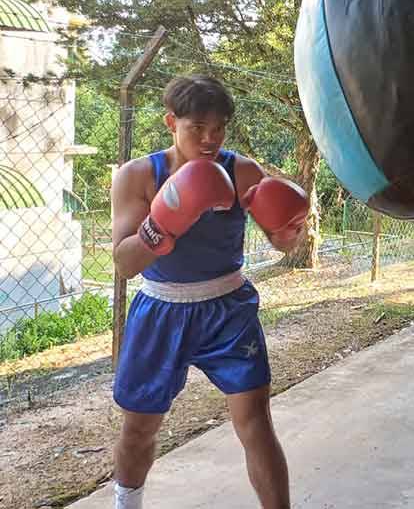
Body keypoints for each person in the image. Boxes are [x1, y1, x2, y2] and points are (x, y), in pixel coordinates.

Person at [110, 75, 308, 509]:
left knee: (255, 421)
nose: (209, 138)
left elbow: (281, 241)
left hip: (228, 308)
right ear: (171, 122)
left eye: (218, 128)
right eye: (197, 127)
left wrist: (290, 228)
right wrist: (161, 226)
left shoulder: (242, 170)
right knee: (140, 427)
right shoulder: (138, 176)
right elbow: (125, 263)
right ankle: (127, 504)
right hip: (161, 307)